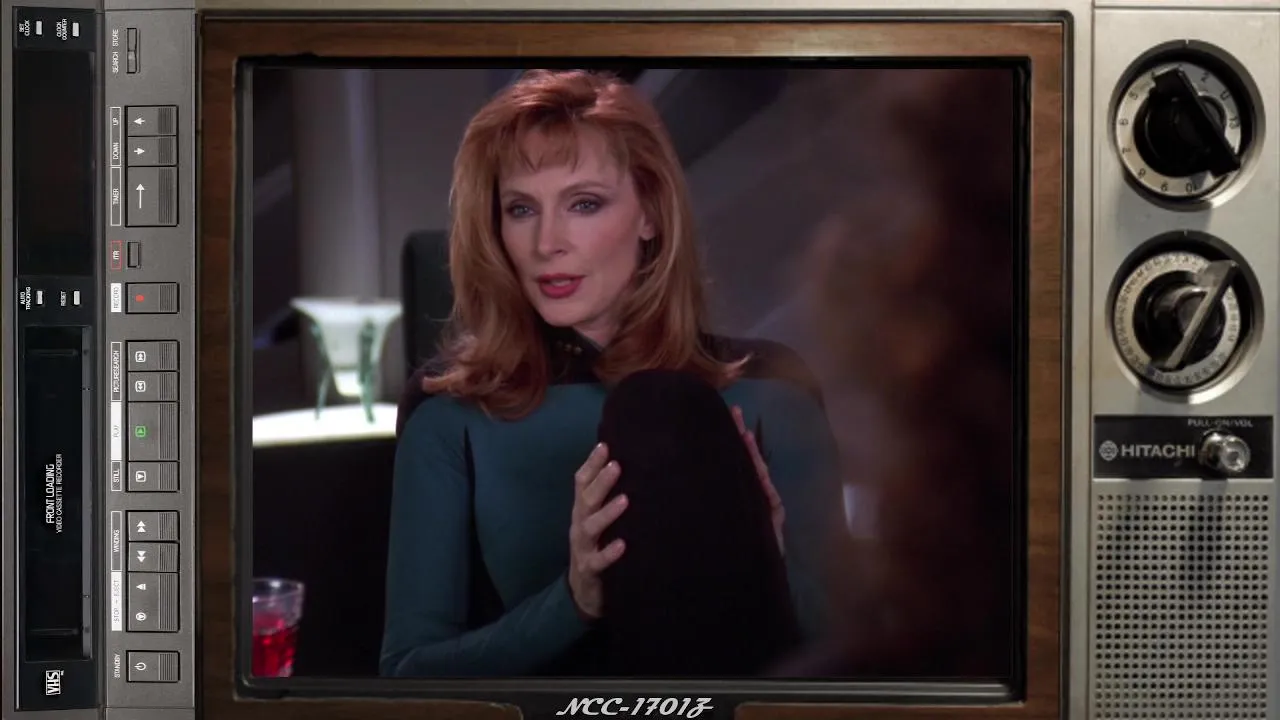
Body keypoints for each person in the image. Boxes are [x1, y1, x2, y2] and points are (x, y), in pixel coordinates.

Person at [380, 69, 844, 678]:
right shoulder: (448, 413)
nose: (547, 242)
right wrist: (572, 601)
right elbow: (409, 673)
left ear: (649, 212)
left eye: (584, 203)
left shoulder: (772, 391)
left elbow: (854, 664)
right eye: (521, 209)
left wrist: (768, 562)